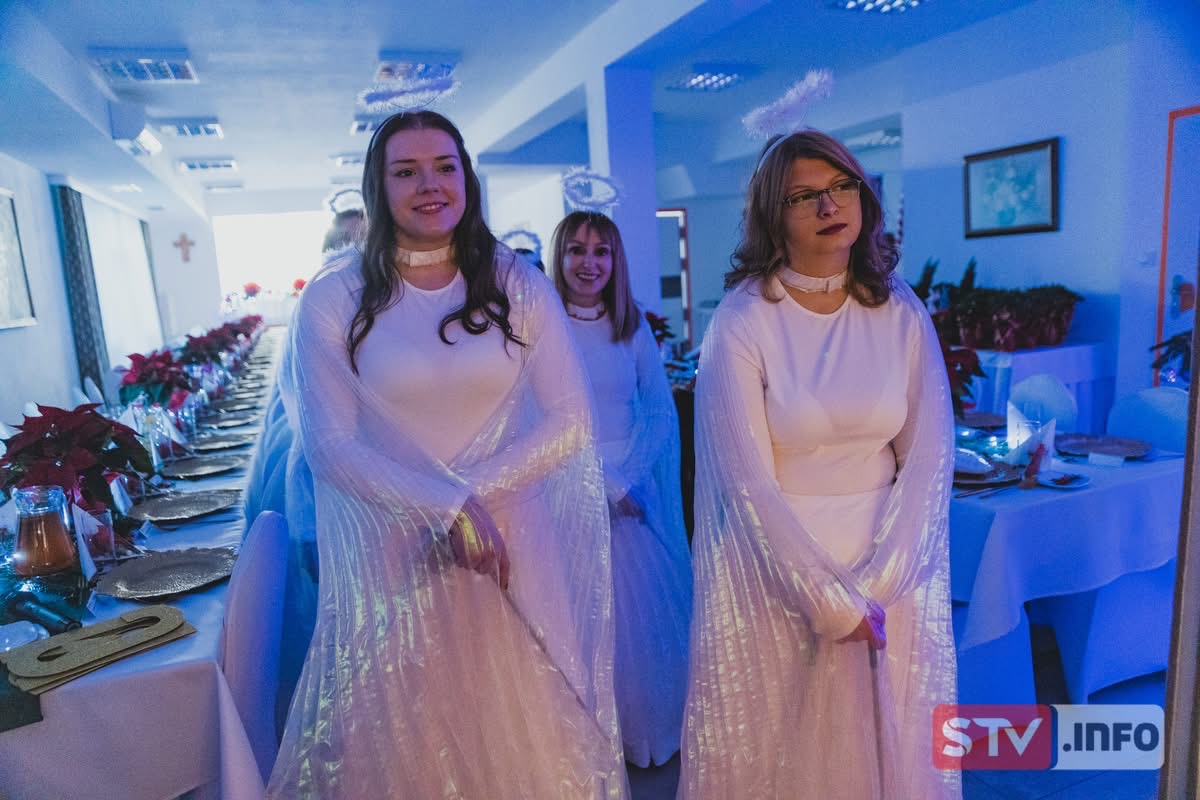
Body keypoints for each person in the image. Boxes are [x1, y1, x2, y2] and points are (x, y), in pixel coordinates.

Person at [269, 110, 627, 799]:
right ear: (379, 188)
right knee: (404, 745)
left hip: (511, 545)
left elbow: (570, 420)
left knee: (524, 743)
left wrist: (473, 500)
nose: (429, 185)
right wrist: (445, 506)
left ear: (467, 177)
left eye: (444, 167)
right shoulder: (333, 297)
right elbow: (329, 444)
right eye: (406, 171)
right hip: (394, 552)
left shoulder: (518, 283)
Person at [679, 129, 958, 799]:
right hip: (780, 573)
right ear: (773, 215)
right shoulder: (743, 320)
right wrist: (827, 600)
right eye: (804, 196)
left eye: (840, 187)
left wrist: (885, 578)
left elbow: (929, 455)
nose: (829, 206)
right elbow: (746, 485)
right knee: (788, 758)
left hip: (890, 568)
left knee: (886, 758)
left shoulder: (899, 310)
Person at [550, 211, 692, 768]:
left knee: (639, 636)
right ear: (560, 257)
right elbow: (541, 418)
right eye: (577, 250)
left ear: (616, 261)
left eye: (601, 251)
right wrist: (602, 485)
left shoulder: (631, 327)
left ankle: (643, 738)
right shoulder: (542, 328)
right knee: (579, 624)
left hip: (633, 499)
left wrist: (627, 480)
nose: (589, 263)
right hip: (567, 493)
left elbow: (658, 411)